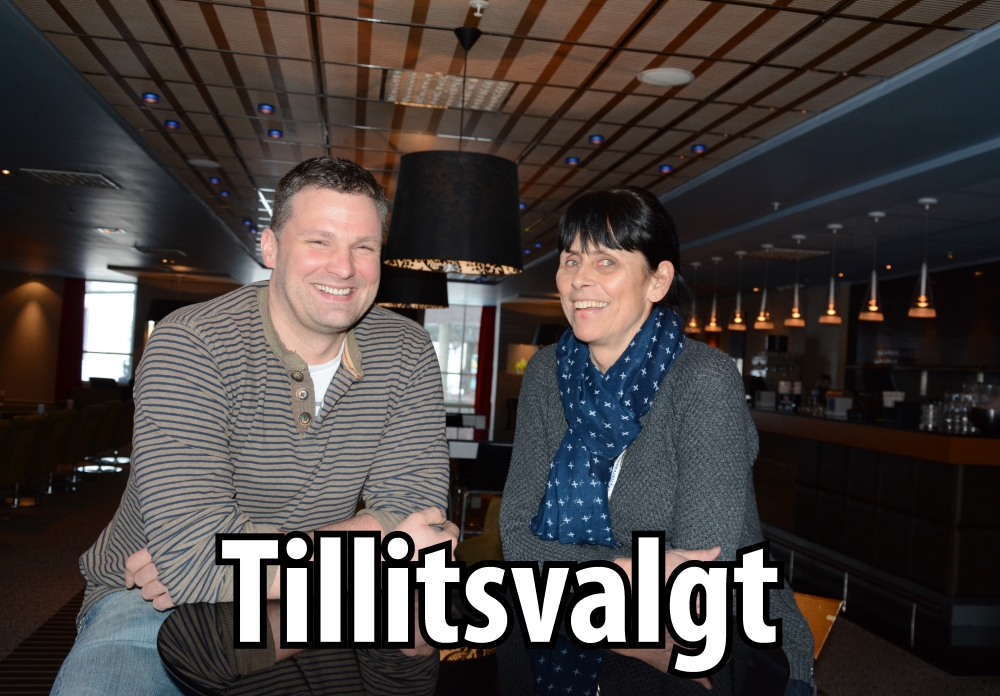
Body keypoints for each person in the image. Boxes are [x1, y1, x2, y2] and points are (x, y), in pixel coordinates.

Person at [52, 157, 457, 695]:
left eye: (364, 247)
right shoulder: (191, 342)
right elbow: (195, 559)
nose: (344, 268)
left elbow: (419, 523)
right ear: (271, 248)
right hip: (151, 596)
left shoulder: (406, 349)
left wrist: (224, 565)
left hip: (310, 596)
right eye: (319, 241)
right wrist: (374, 544)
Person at [498, 187, 813, 695]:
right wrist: (620, 576)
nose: (579, 279)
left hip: (714, 627)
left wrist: (568, 583)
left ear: (658, 281)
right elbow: (516, 536)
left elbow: (696, 576)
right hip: (585, 617)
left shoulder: (703, 379)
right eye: (571, 260)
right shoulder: (544, 374)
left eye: (606, 261)